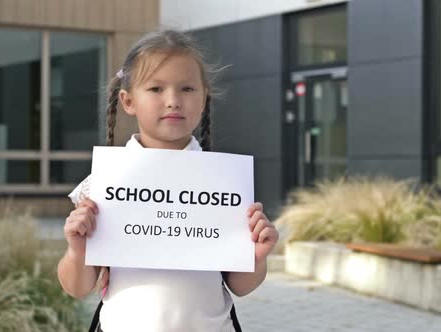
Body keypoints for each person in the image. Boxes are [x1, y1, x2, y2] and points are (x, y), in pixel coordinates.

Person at [57, 29, 279, 332]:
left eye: (187, 88)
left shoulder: (224, 183)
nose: (173, 100)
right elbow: (77, 288)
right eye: (156, 89)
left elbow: (239, 285)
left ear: (204, 99)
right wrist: (77, 250)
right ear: (128, 101)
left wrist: (257, 256)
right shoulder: (103, 185)